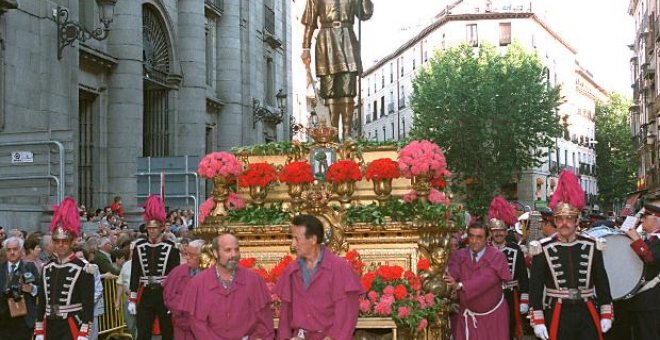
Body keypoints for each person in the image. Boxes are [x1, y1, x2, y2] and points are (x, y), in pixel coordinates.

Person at [528, 170, 613, 340]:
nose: (564, 223)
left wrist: (606, 312)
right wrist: (537, 319)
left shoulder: (591, 245)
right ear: (555, 221)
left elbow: (601, 281)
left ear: (577, 220)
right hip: (557, 312)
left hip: (586, 310)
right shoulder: (542, 248)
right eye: (559, 219)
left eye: (569, 218)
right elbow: (535, 287)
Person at [275, 214, 363, 340]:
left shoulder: (339, 268)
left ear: (313, 239)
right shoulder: (291, 270)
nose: (293, 244)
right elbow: (285, 316)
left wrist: (332, 337)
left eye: (296, 238)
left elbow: (347, 314)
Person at [301, 0, 374, 139]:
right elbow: (310, 21)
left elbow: (365, 14)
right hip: (326, 40)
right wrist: (306, 47)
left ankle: (347, 133)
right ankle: (332, 133)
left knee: (348, 87)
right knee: (329, 89)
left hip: (348, 38)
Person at [182, 234, 274, 339]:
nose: (233, 254)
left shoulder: (254, 280)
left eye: (236, 250)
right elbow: (197, 324)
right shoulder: (198, 283)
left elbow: (265, 321)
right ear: (215, 253)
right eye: (228, 250)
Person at [34, 197, 95, 340]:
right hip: (50, 325)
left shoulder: (83, 268)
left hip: (71, 324)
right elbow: (42, 301)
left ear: (72, 241)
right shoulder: (47, 268)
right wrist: (39, 329)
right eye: (57, 241)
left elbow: (88, 304)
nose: (61, 245)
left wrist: (84, 332)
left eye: (65, 241)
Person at [445, 222, 512, 340]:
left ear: (487, 238)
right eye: (471, 236)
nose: (474, 240)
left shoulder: (497, 256)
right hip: (467, 317)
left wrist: (460, 285)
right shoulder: (459, 254)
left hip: (493, 318)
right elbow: (453, 271)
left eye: (479, 237)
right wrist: (449, 279)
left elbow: (486, 280)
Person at [128, 195, 180, 340]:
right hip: (145, 292)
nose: (151, 231)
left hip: (164, 293)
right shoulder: (139, 247)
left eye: (154, 228)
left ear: (161, 228)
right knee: (143, 329)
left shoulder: (171, 247)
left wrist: (174, 298)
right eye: (149, 228)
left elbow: (175, 275)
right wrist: (132, 298)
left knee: (167, 330)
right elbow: (135, 273)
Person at [487, 196, 530, 340]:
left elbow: (523, 276)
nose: (498, 233)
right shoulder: (484, 250)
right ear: (491, 232)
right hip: (489, 296)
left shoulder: (515, 249)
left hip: (510, 296)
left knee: (509, 329)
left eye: (501, 230)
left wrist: (524, 300)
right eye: (495, 231)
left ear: (506, 232)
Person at [624, 203, 660, 340]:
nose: (642, 220)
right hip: (642, 301)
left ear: (656, 219)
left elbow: (651, 258)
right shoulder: (649, 239)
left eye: (645, 217)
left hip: (652, 301)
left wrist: (636, 239)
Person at [163, 239, 204, 340]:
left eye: (192, 255)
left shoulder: (213, 273)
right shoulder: (178, 272)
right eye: (186, 254)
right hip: (182, 325)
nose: (187, 258)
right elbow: (168, 296)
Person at [0, 237, 40, 340]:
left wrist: (32, 289)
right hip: (3, 320)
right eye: (9, 250)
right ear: (5, 251)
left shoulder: (29, 267)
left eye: (15, 249)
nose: (12, 252)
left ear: (21, 251)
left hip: (24, 319)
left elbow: (42, 290)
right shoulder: (0, 268)